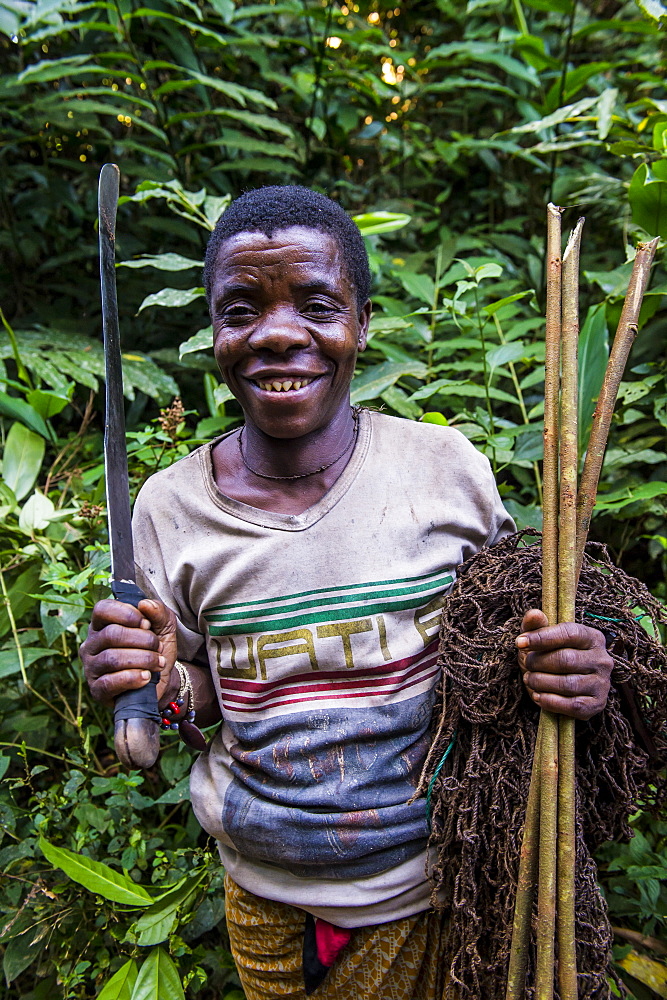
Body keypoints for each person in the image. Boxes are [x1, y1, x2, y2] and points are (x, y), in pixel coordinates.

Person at [81, 186, 613, 1000]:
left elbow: (518, 641)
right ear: (215, 332)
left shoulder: (444, 473)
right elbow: (199, 699)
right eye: (241, 309)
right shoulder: (169, 509)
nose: (279, 334)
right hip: (272, 908)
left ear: (362, 322)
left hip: (453, 888)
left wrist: (576, 666)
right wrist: (158, 687)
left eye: (318, 304)